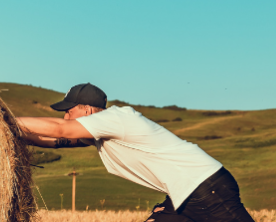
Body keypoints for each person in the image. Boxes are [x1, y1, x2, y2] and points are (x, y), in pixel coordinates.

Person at [17, 83, 255, 222]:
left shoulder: (115, 119)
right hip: (183, 194)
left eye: (68, 111)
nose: (65, 116)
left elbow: (60, 129)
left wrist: (1, 119)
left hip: (207, 186)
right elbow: (57, 140)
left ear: (87, 110)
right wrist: (7, 135)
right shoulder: (103, 133)